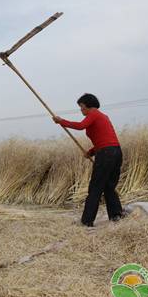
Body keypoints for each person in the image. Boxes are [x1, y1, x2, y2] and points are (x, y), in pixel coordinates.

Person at [52, 93, 124, 227]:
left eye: (81, 107)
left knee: (95, 188)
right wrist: (91, 152)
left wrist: (61, 121)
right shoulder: (103, 116)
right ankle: (116, 216)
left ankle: (86, 221)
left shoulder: (94, 114)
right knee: (109, 186)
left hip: (106, 154)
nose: (81, 110)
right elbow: (105, 139)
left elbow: (80, 126)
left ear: (88, 106)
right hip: (115, 151)